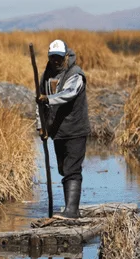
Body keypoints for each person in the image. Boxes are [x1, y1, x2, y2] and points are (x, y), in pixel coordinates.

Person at [36, 39, 90, 219]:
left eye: (59, 57)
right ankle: (70, 208)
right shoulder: (46, 75)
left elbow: (69, 93)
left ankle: (71, 211)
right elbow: (39, 105)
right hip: (58, 131)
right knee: (63, 169)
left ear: (66, 56)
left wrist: (47, 99)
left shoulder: (75, 74)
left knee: (72, 170)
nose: (56, 61)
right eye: (53, 57)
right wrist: (41, 127)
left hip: (75, 129)